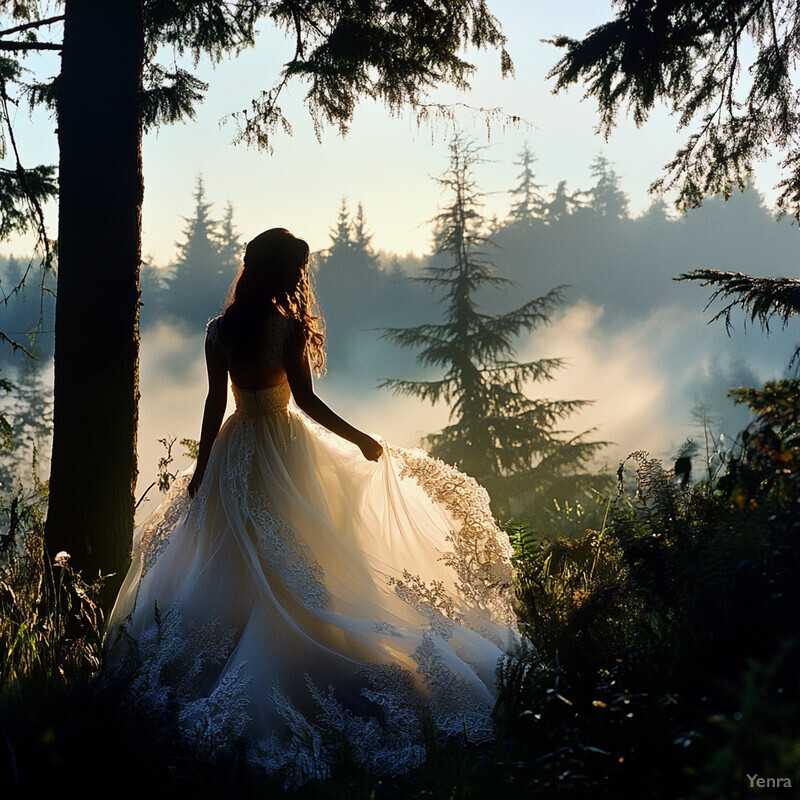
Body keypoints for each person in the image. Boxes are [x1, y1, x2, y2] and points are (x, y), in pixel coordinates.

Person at [104, 228, 520, 786]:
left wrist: (206, 464)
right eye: (296, 270)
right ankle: (300, 647)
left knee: (243, 554)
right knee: (298, 549)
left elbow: (212, 403)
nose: (301, 280)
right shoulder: (287, 329)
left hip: (237, 447)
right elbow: (305, 400)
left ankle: (257, 642)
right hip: (283, 448)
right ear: (281, 274)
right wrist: (360, 438)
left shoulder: (220, 330)